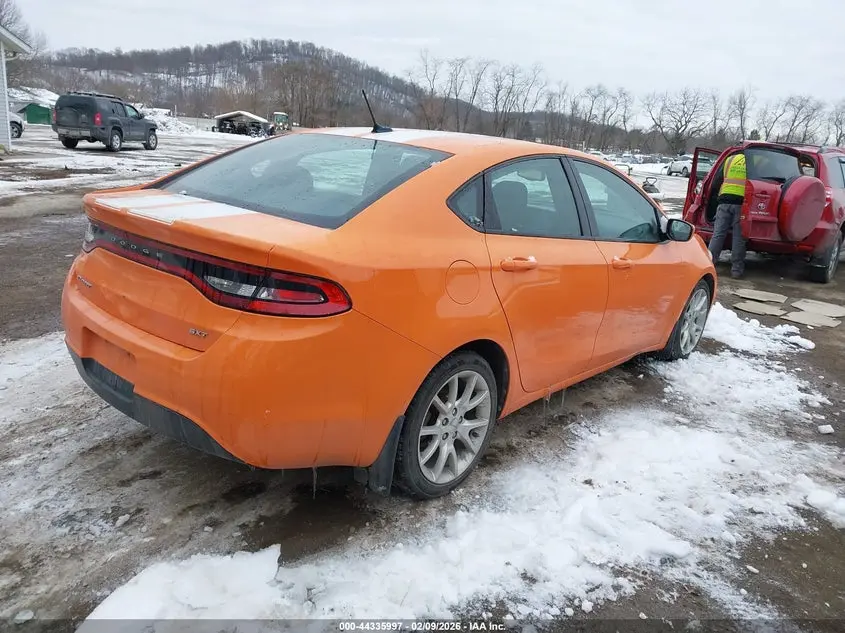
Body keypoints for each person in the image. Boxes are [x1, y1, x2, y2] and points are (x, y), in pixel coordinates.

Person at [708, 151, 747, 278]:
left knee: (718, 234)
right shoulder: (754, 161)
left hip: (724, 200)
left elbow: (717, 181)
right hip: (742, 203)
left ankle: (709, 264)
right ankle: (736, 270)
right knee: (738, 237)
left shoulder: (730, 159)